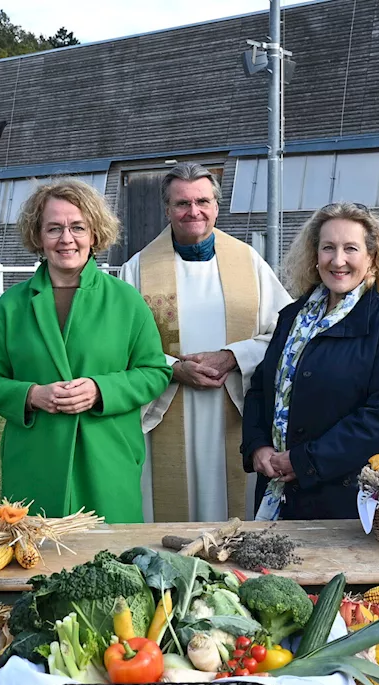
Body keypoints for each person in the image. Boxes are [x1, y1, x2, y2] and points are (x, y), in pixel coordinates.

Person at [0, 179, 171, 523]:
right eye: (54, 228)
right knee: (36, 568)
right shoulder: (11, 306)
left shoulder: (126, 300)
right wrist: (31, 395)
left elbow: (155, 372)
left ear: (94, 234)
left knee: (111, 567)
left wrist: (99, 390)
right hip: (34, 463)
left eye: (78, 227)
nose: (66, 239)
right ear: (38, 235)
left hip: (106, 459)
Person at [119, 163, 292, 523]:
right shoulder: (137, 269)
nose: (193, 211)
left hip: (233, 406)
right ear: (167, 209)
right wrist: (174, 368)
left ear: (216, 205)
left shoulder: (249, 263)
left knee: (233, 508)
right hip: (166, 409)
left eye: (202, 201)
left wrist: (232, 356)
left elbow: (284, 331)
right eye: (182, 203)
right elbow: (123, 344)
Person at [241, 203, 379, 521]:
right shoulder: (291, 317)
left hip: (349, 500)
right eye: (328, 248)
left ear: (372, 257)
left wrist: (303, 461)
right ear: (315, 255)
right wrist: (257, 446)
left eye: (350, 248)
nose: (338, 261)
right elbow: (260, 387)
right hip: (278, 492)